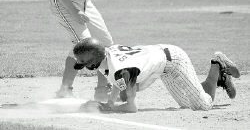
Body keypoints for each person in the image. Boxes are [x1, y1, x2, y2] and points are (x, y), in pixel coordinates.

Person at [73, 38, 241, 113]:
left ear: (93, 61)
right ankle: (216, 79)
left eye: (84, 63)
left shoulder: (122, 69)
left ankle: (217, 64)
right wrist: (108, 103)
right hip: (161, 66)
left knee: (201, 105)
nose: (83, 66)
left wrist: (108, 109)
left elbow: (131, 108)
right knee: (186, 104)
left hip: (174, 60)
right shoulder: (105, 57)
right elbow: (117, 83)